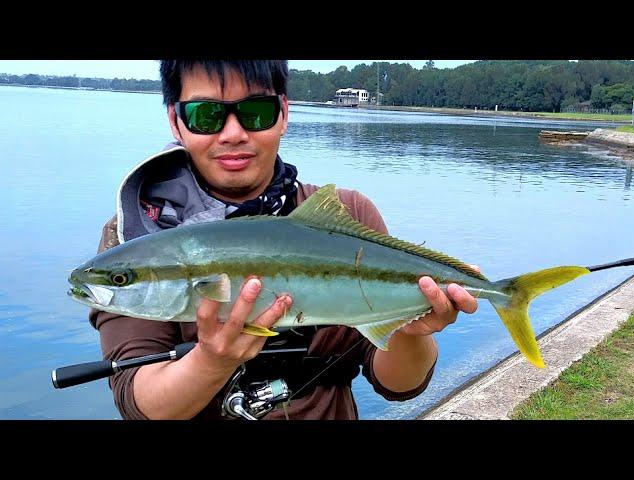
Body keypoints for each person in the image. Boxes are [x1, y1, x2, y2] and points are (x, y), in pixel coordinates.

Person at [89, 60, 479, 420]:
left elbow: (401, 384)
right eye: (206, 116)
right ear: (176, 122)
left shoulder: (346, 216)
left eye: (256, 112)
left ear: (283, 114)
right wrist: (211, 361)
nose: (233, 134)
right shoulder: (139, 235)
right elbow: (139, 401)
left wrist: (410, 329)